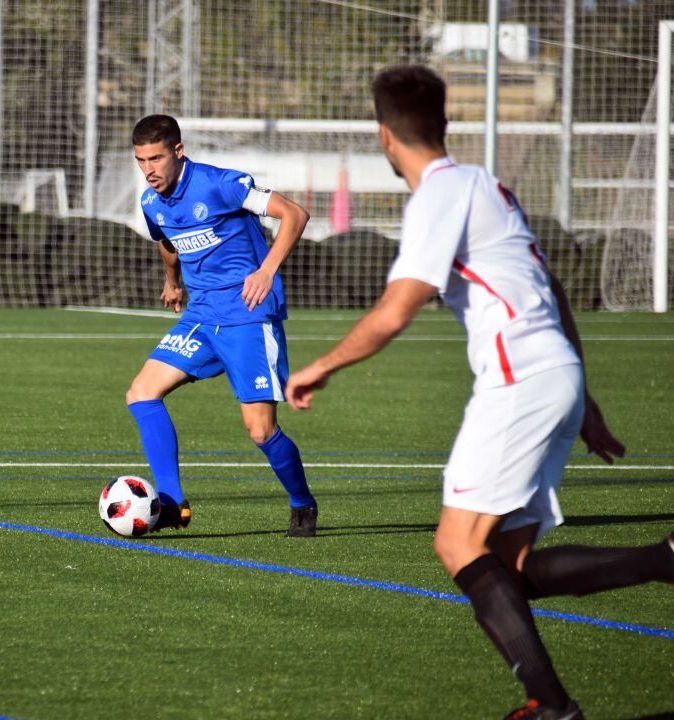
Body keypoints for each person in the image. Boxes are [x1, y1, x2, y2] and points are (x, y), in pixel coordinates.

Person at [284, 65, 674, 719]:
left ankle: (553, 707)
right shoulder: (491, 187)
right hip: (552, 374)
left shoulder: (437, 196)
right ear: (446, 124)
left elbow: (395, 309)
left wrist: (320, 366)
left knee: (456, 544)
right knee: (510, 567)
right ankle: (662, 559)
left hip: (519, 382)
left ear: (384, 135)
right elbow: (550, 294)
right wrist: (583, 396)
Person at [126, 114, 319, 537]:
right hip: (201, 314)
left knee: (260, 430)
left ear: (178, 151)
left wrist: (266, 271)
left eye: (156, 158)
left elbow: (295, 215)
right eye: (141, 160)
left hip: (248, 314)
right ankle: (173, 503)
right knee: (141, 393)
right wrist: (172, 282)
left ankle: (302, 502)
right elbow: (168, 241)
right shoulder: (151, 201)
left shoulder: (221, 184)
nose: (148, 170)